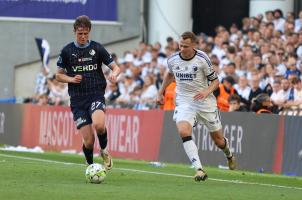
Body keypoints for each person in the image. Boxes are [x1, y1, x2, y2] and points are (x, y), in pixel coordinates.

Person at [157, 31, 236, 182]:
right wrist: (160, 92)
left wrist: (206, 91)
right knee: (183, 131)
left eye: (185, 46)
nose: (182, 49)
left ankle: (229, 154)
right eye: (180, 45)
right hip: (184, 100)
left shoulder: (202, 59)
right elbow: (169, 75)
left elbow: (215, 81)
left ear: (194, 45)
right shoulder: (173, 59)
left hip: (205, 102)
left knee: (218, 140)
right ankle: (199, 169)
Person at [56, 15, 120, 170]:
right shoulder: (67, 51)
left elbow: (116, 67)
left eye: (86, 33)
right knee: (89, 141)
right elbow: (58, 75)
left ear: (89, 32)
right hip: (77, 100)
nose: (83, 37)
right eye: (80, 34)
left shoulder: (97, 48)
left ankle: (104, 150)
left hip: (95, 94)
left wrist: (114, 75)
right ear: (74, 32)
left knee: (99, 125)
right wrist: (71, 80)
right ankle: (91, 165)